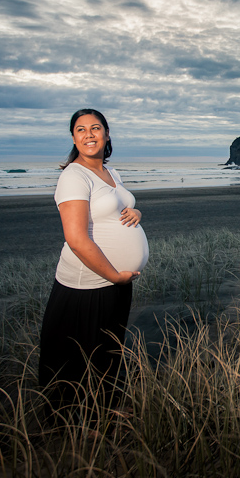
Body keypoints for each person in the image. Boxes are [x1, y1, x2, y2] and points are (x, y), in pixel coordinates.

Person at [39, 108, 149, 419]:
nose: (89, 134)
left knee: (107, 348)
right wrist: (114, 275)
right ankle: (72, 422)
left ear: (107, 133)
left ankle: (107, 408)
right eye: (81, 129)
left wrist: (136, 212)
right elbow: (76, 239)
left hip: (115, 280)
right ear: (74, 138)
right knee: (78, 354)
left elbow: (117, 206)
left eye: (95, 127)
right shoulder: (74, 176)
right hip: (86, 283)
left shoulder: (111, 173)